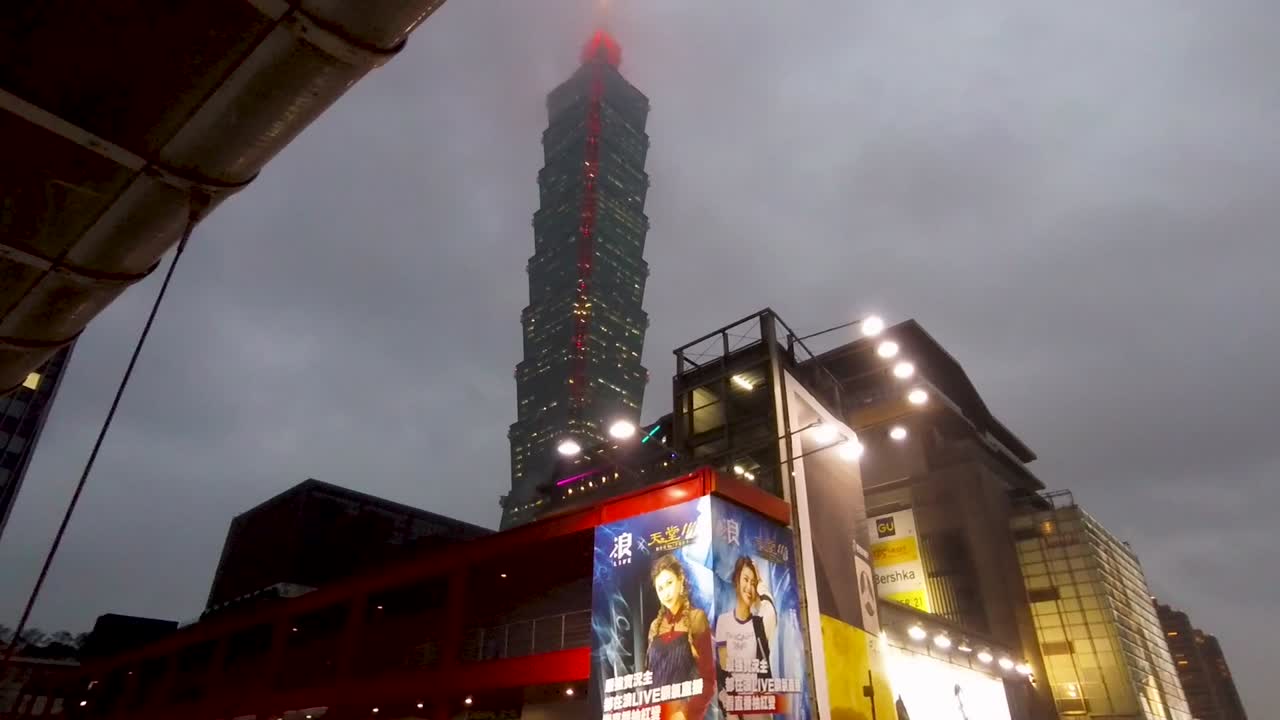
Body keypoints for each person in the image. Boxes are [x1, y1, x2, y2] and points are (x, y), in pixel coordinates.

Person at [647, 553, 716, 720]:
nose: (665, 592)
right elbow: (649, 679)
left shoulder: (696, 618)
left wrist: (685, 713)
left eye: (669, 583)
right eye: (660, 588)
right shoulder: (654, 627)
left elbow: (708, 680)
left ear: (680, 580)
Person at [715, 556, 778, 718]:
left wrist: (761, 585)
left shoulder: (759, 624)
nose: (749, 587)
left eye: (753, 583)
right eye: (745, 579)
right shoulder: (724, 621)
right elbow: (723, 670)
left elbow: (770, 608)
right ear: (737, 580)